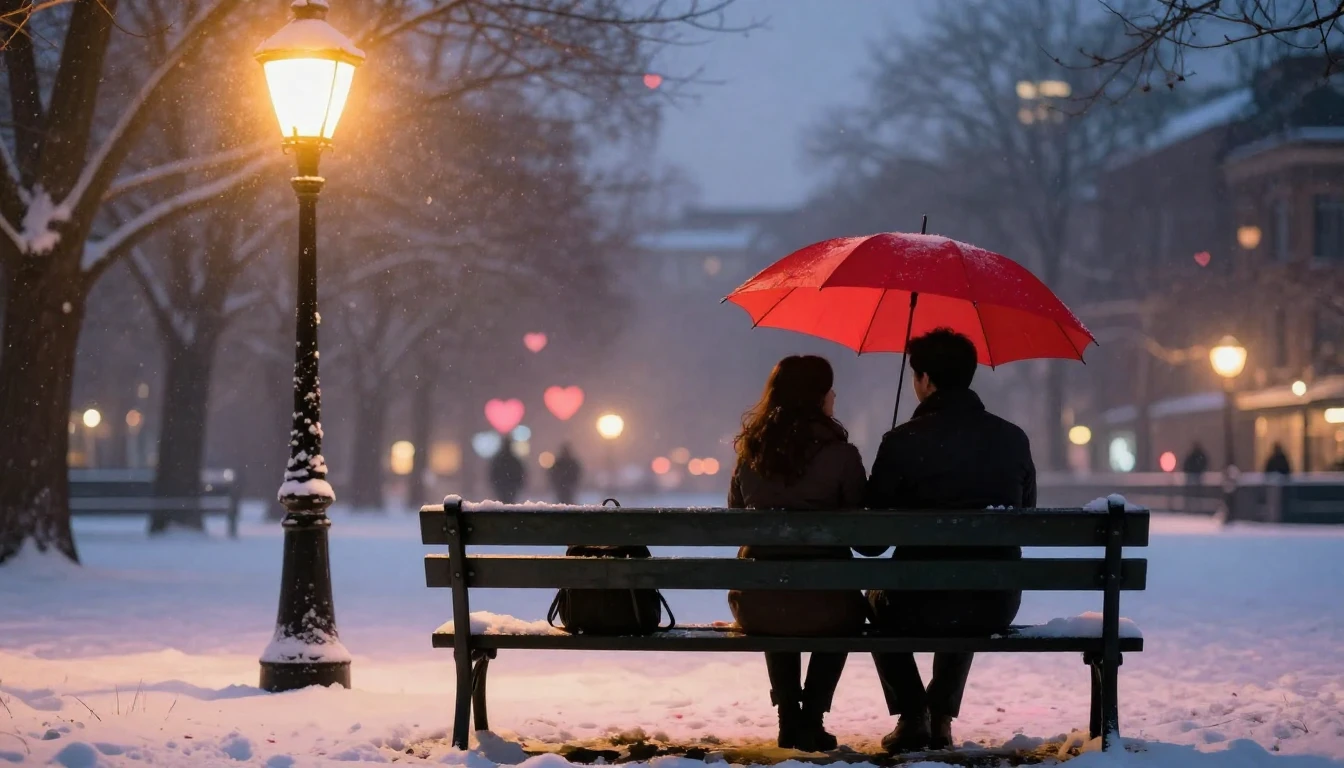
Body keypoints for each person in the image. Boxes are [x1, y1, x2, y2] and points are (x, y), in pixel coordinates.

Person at [863, 329, 1036, 754]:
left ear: (923, 379)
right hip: (993, 601)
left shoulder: (902, 441)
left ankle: (913, 715)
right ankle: (939, 718)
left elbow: (870, 546)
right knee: (969, 583)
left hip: (914, 602)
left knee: (876, 601)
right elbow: (1027, 519)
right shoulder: (1012, 438)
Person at [727, 355, 869, 752]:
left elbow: (735, 518)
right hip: (830, 606)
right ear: (818, 396)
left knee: (778, 588)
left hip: (759, 605)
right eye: (830, 388)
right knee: (837, 606)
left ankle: (789, 716)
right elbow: (868, 541)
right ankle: (812, 717)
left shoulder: (750, 452)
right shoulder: (841, 455)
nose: (835, 395)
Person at [489, 436, 526, 503]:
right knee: (510, 503)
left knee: (502, 503)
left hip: (501, 485)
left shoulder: (498, 459)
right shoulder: (514, 459)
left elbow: (493, 473)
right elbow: (521, 473)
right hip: (511, 486)